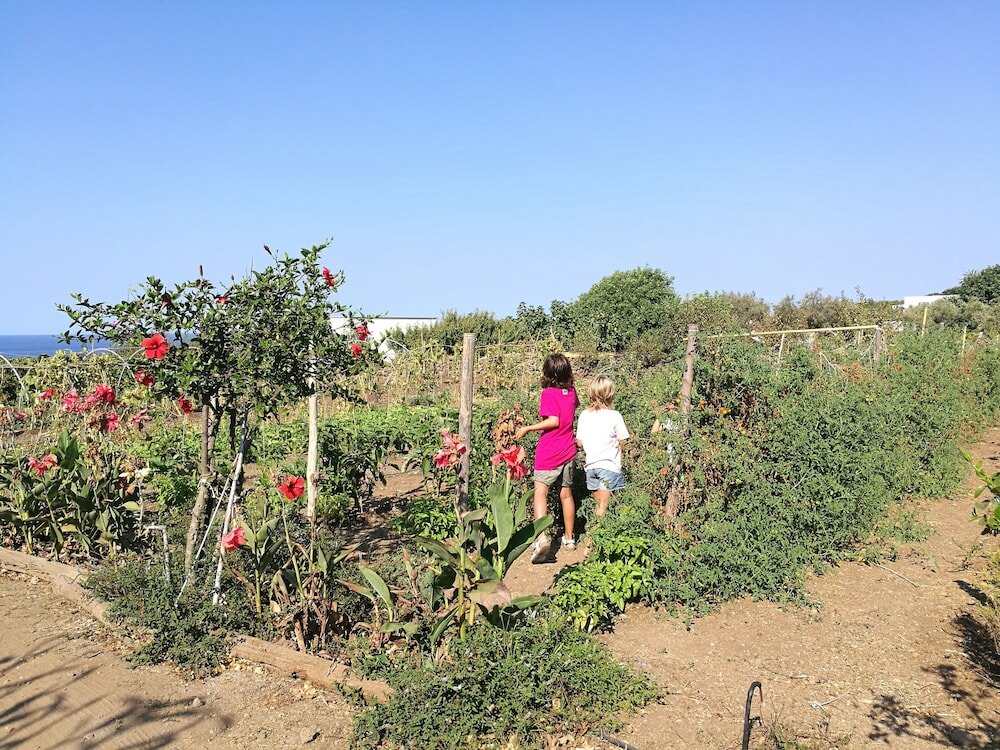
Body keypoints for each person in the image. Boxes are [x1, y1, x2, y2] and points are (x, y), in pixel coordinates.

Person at [515, 352, 579, 563]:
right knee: (566, 494)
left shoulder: (548, 394)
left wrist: (528, 428)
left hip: (550, 450)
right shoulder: (571, 392)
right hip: (568, 449)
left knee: (540, 493)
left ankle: (541, 538)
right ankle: (569, 539)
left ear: (547, 373)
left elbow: (553, 420)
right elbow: (569, 415)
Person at [575, 374, 630, 519]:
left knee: (598, 506)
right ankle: (593, 538)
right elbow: (624, 440)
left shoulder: (584, 415)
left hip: (591, 467)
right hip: (609, 466)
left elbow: (579, 442)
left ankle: (595, 534)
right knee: (602, 510)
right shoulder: (614, 416)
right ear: (610, 394)